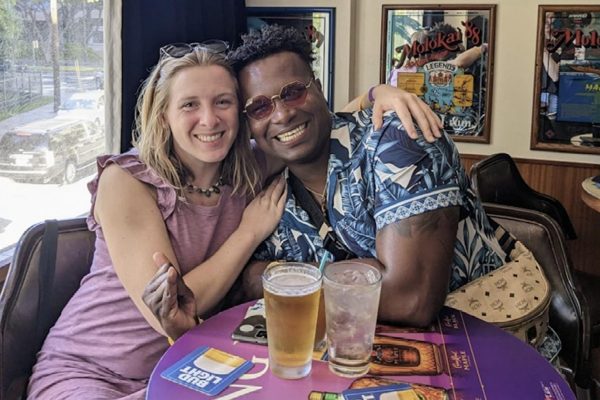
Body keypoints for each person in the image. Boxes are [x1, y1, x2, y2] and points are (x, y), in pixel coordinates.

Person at [26, 42, 288, 400]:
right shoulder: (127, 180)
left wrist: (366, 98)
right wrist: (249, 232)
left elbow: (313, 127)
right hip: (88, 370)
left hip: (187, 372)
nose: (209, 119)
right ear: (163, 115)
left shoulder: (247, 170)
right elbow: (168, 309)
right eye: (190, 105)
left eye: (223, 102)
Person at [231, 24, 509, 327]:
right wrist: (367, 275)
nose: (282, 114)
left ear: (319, 89)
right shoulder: (271, 189)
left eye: (293, 93)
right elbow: (247, 280)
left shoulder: (398, 140)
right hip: (356, 349)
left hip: (483, 338)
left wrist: (287, 278)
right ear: (249, 124)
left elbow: (410, 299)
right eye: (259, 107)